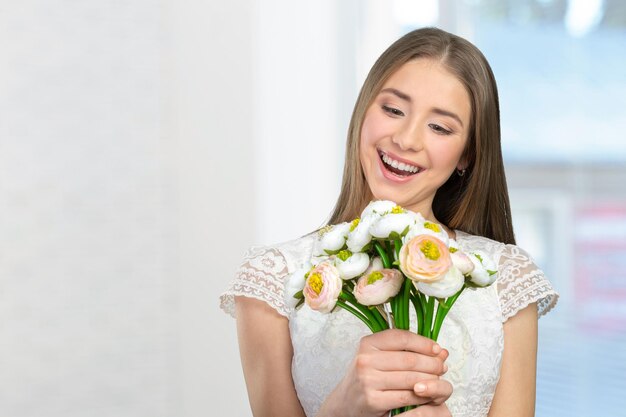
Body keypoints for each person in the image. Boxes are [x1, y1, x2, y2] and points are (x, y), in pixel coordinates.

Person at [220, 27, 558, 417]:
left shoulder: (505, 278)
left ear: (467, 155)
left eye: (440, 127)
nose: (407, 139)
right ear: (364, 111)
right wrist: (345, 406)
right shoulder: (274, 278)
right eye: (393, 110)